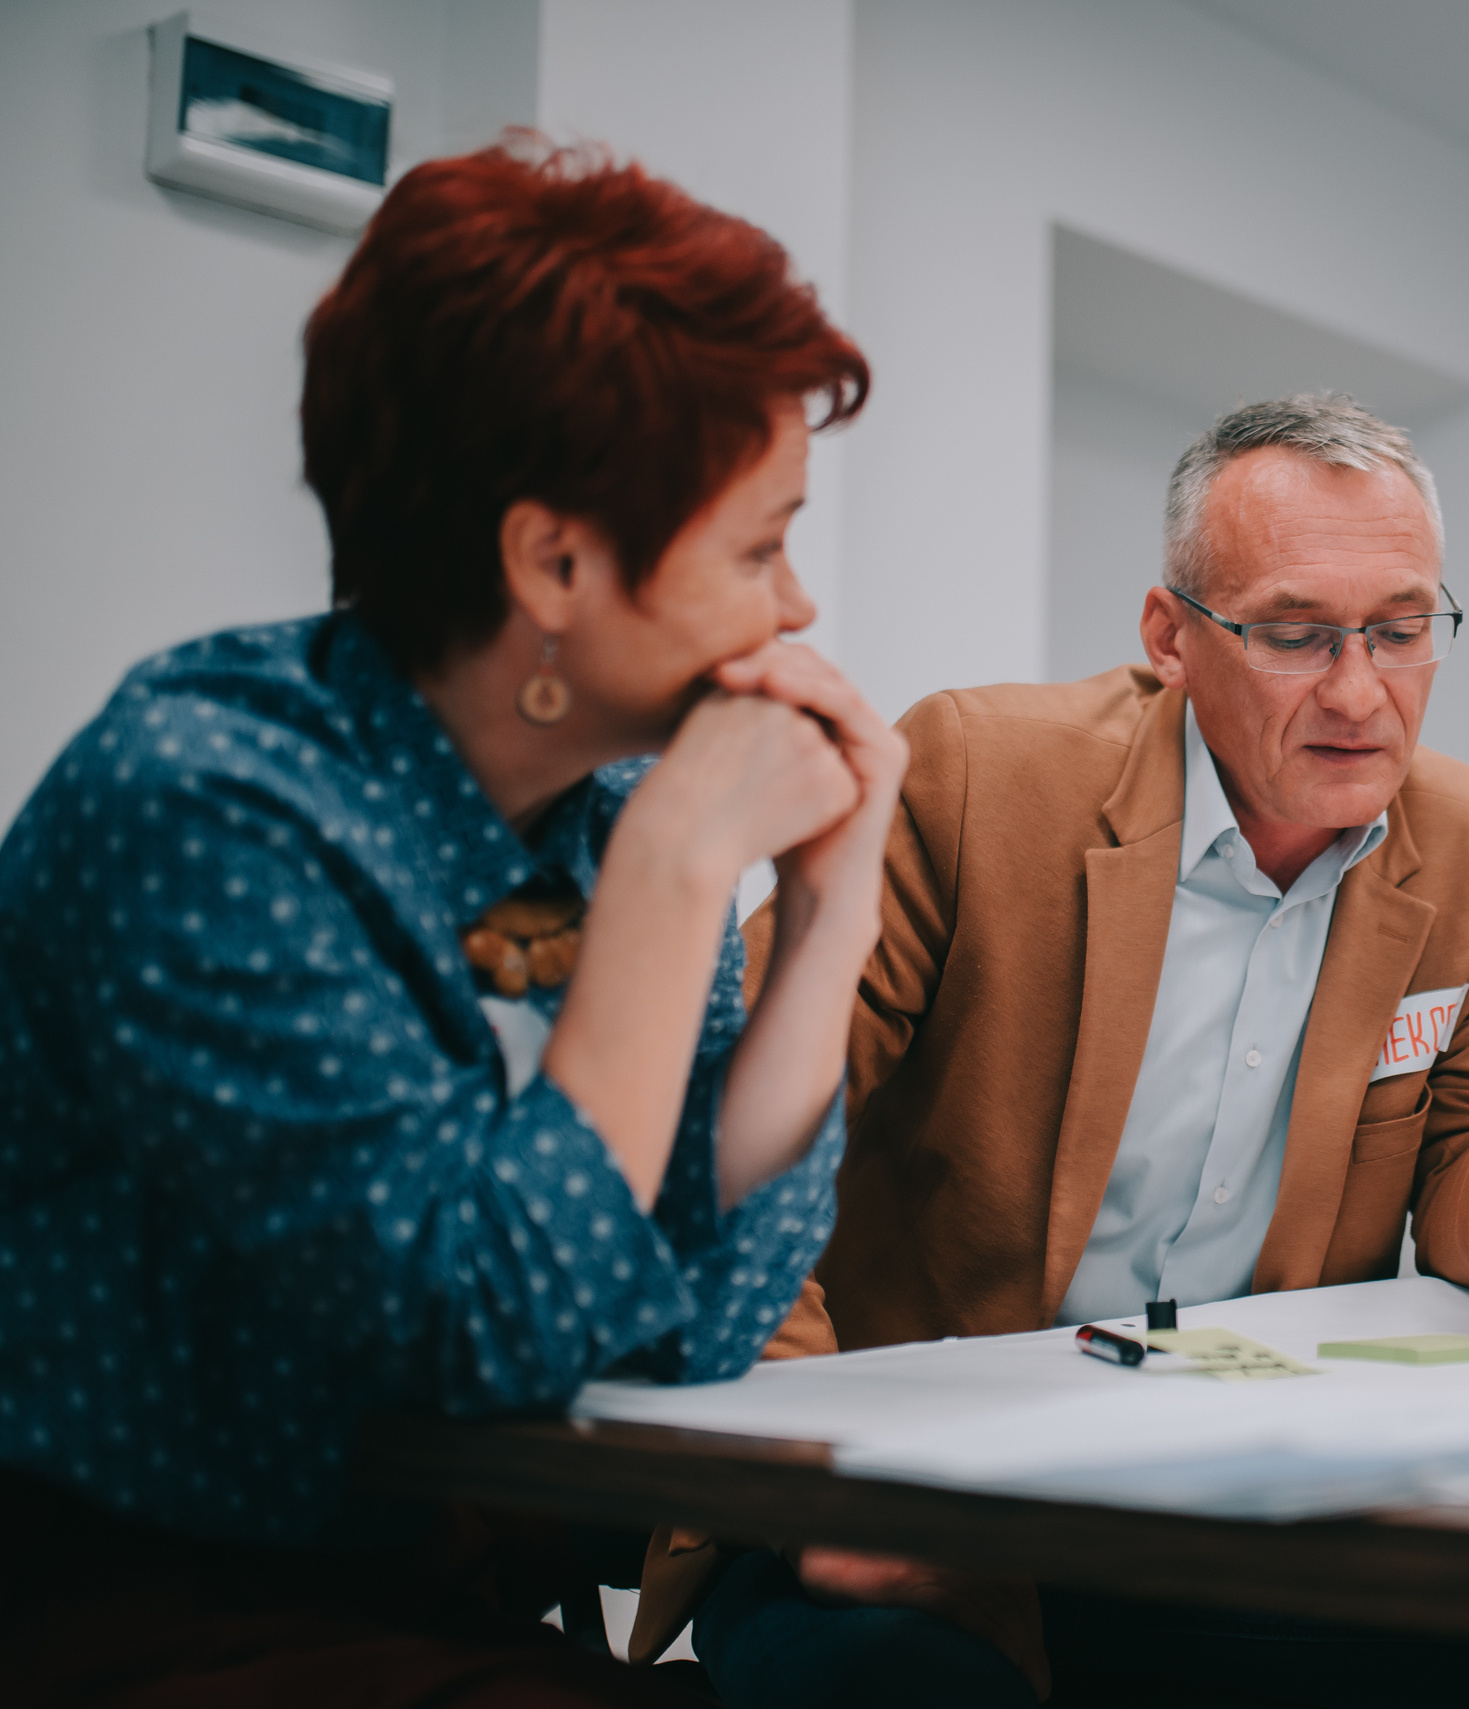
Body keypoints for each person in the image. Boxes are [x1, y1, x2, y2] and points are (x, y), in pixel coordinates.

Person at [0, 138, 959, 1707]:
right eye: (760, 546)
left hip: (441, 1590)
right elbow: (493, 1327)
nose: (797, 611)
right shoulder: (199, 803)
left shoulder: (594, 813)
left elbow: (689, 1328)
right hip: (136, 1593)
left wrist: (830, 902)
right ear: (555, 559)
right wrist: (672, 877)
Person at [684, 394, 1469, 1708]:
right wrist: (810, 1473)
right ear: (1169, 637)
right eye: (1295, 634)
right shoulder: (970, 775)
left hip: (1250, 1498)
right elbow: (720, 1139)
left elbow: (1468, 1200)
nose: (1362, 693)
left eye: (1403, 631)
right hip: (932, 1485)